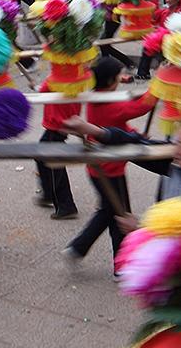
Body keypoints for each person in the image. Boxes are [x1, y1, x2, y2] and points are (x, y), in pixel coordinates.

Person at [57, 55, 156, 262]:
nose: (121, 79)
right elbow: (140, 107)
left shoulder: (97, 97)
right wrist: (160, 87)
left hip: (101, 167)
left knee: (109, 210)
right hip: (109, 171)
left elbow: (119, 127)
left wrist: (136, 135)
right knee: (120, 215)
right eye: (119, 76)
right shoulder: (110, 105)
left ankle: (79, 248)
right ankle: (119, 262)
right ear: (111, 81)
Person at [31, 78, 80, 222]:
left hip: (57, 123)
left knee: (53, 165)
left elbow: (43, 90)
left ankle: (65, 205)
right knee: (40, 156)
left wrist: (36, 86)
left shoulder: (58, 74)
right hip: (66, 118)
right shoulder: (78, 73)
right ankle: (48, 195)